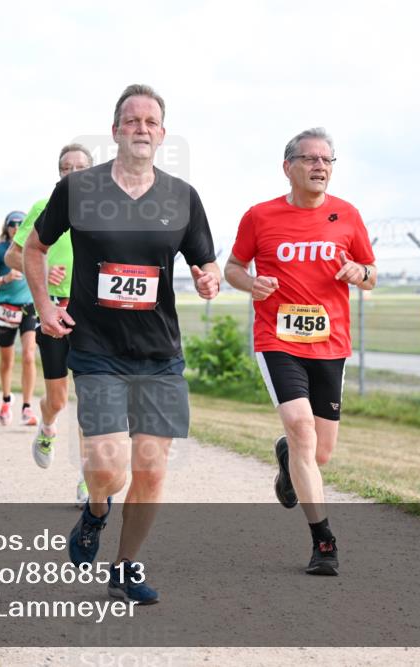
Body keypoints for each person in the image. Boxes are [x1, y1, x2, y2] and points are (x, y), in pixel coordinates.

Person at [24, 84, 220, 605]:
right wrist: (45, 307)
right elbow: (35, 248)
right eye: (131, 120)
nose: (141, 128)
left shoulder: (183, 197)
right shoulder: (80, 189)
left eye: (150, 121)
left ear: (162, 134)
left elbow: (205, 260)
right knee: (109, 468)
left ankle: (127, 566)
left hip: (159, 354)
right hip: (97, 349)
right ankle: (95, 510)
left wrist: (207, 278)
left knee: (152, 468)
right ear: (115, 131)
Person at [225, 127, 377, 576]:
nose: (320, 166)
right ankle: (323, 542)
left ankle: (288, 459)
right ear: (287, 166)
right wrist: (251, 283)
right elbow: (234, 266)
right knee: (299, 425)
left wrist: (358, 271)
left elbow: (371, 274)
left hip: (330, 343)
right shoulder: (260, 216)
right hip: (278, 338)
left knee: (319, 452)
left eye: (327, 160)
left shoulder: (347, 215)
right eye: (310, 159)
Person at [6, 142, 94, 506]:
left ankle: (89, 477)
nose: (72, 174)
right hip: (53, 312)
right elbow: (14, 254)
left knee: (91, 398)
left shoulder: (104, 208)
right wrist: (42, 269)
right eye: (66, 169)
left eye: (79, 169)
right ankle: (46, 427)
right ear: (59, 174)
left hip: (91, 313)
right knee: (58, 399)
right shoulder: (44, 208)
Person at [0, 211, 39, 427]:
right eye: (13, 224)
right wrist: (5, 278)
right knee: (7, 360)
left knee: (29, 355)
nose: (17, 227)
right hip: (5, 307)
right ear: (7, 227)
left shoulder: (33, 248)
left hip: (29, 306)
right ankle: (6, 399)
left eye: (21, 223)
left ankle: (27, 407)